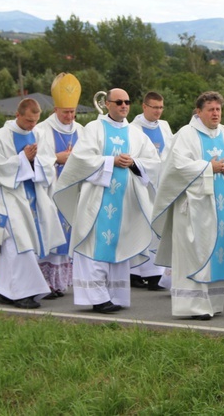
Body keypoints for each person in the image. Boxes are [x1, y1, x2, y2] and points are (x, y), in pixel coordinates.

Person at [54, 88, 161, 314]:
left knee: (118, 247)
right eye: (119, 102)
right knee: (94, 246)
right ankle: (97, 297)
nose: (124, 105)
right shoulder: (94, 129)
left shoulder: (135, 133)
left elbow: (153, 162)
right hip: (97, 201)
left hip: (124, 202)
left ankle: (115, 295)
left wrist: (133, 163)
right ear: (108, 104)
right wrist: (111, 161)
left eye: (127, 102)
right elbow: (80, 160)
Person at [152, 91, 224, 320]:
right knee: (195, 255)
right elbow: (175, 167)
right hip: (194, 208)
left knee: (221, 252)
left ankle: (214, 303)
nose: (216, 114)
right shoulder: (186, 135)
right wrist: (209, 168)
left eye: (218, 109)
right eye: (210, 110)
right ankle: (192, 307)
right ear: (199, 112)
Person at [0, 98, 66, 309]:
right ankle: (23, 293)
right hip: (11, 197)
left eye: (35, 120)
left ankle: (2, 289)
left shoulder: (38, 134)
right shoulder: (0, 137)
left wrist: (35, 161)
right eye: (29, 120)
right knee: (20, 245)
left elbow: (48, 162)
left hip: (34, 197)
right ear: (18, 115)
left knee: (16, 246)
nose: (32, 125)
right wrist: (22, 159)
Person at [34, 73, 84, 299]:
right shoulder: (42, 130)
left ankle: (61, 283)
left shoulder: (80, 130)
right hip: (51, 191)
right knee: (50, 234)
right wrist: (56, 158)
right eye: (66, 112)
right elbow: (37, 160)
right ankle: (44, 283)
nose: (70, 116)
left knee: (68, 236)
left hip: (73, 192)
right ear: (55, 109)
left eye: (73, 112)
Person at [129, 91, 174, 291]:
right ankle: (137, 272)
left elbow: (171, 152)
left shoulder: (164, 127)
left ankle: (155, 272)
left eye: (160, 107)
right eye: (154, 107)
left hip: (161, 183)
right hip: (141, 183)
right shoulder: (132, 128)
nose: (158, 111)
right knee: (140, 226)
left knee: (158, 227)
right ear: (144, 107)